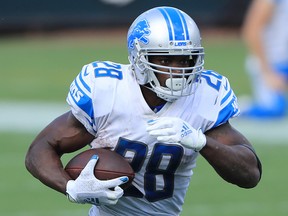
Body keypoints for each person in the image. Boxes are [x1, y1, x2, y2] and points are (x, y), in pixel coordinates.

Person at [25, 6, 262, 216]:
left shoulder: (205, 95)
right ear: (139, 59)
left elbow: (250, 174)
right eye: (165, 60)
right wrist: (71, 188)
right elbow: (40, 149)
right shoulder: (108, 90)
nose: (177, 70)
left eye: (185, 60)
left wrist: (202, 142)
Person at [241, 0, 288, 118]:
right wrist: (268, 73)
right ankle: (240, 108)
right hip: (271, 63)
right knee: (274, 109)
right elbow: (251, 31)